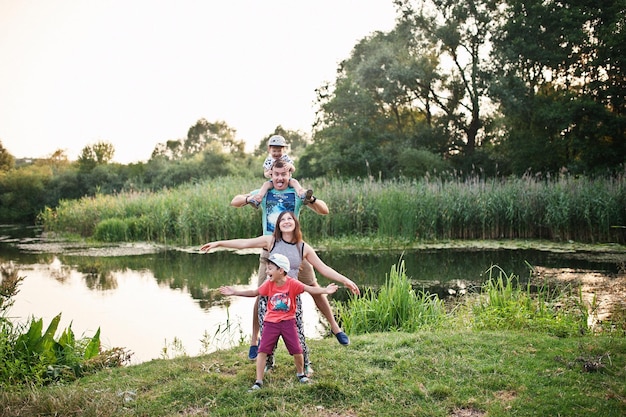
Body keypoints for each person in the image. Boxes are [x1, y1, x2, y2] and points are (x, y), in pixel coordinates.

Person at [201, 210, 360, 370]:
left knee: (298, 333)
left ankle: (305, 366)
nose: (286, 221)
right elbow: (244, 243)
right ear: (278, 225)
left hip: (291, 297)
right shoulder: (271, 241)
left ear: (295, 223)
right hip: (270, 297)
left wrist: (345, 280)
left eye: (289, 218)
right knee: (268, 334)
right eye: (282, 219)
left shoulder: (303, 247)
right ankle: (268, 364)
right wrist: (219, 243)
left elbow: (323, 268)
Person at [219, 253, 338, 391]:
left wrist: (326, 290)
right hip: (270, 323)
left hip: (288, 323)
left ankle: (301, 374)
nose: (266, 271)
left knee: (297, 350)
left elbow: (309, 289)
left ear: (281, 270)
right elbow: (254, 292)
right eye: (267, 268)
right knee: (262, 351)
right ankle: (258, 381)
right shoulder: (268, 284)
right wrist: (235, 292)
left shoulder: (292, 284)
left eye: (270, 269)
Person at [251, 135, 312, 206]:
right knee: (266, 185)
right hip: (274, 181)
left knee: (294, 182)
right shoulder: (269, 160)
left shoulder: (286, 158)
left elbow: (293, 169)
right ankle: (258, 199)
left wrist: (290, 166)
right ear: (269, 149)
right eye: (274, 151)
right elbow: (265, 173)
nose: (276, 153)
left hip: (287, 180)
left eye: (279, 151)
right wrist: (268, 173)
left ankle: (302, 195)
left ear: (284, 149)